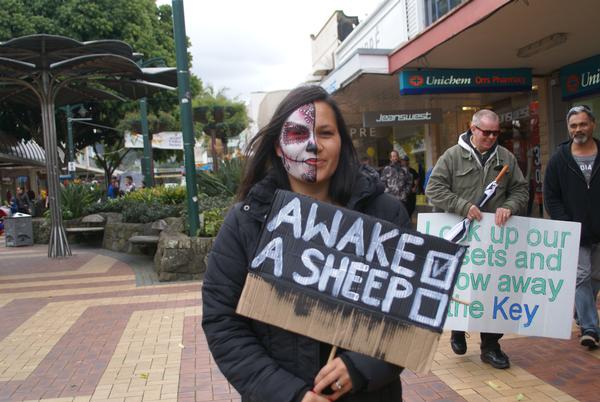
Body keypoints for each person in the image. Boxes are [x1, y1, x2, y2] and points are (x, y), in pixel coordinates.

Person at [202, 85, 409, 402]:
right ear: (276, 146)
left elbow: (409, 312)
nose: (314, 145)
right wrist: (288, 394)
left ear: (341, 142)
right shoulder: (246, 222)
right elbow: (223, 321)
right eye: (299, 134)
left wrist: (362, 367)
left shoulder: (385, 214)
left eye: (326, 133)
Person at [426, 109, 528, 369]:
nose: (492, 137)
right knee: (462, 285)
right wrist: (461, 205)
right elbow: (434, 189)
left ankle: (491, 346)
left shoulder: (506, 158)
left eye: (496, 132)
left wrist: (510, 206)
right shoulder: (451, 156)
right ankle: (458, 329)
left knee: (492, 289)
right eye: (486, 132)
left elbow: (520, 190)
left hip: (493, 240)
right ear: (473, 129)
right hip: (460, 237)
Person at [544, 105, 600, 349]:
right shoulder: (559, 159)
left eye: (583, 124)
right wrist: (566, 225)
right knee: (581, 276)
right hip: (574, 231)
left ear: (593, 125)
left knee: (596, 275)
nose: (578, 129)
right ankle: (590, 327)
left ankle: (581, 312)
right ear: (568, 129)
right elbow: (551, 196)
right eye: (573, 125)